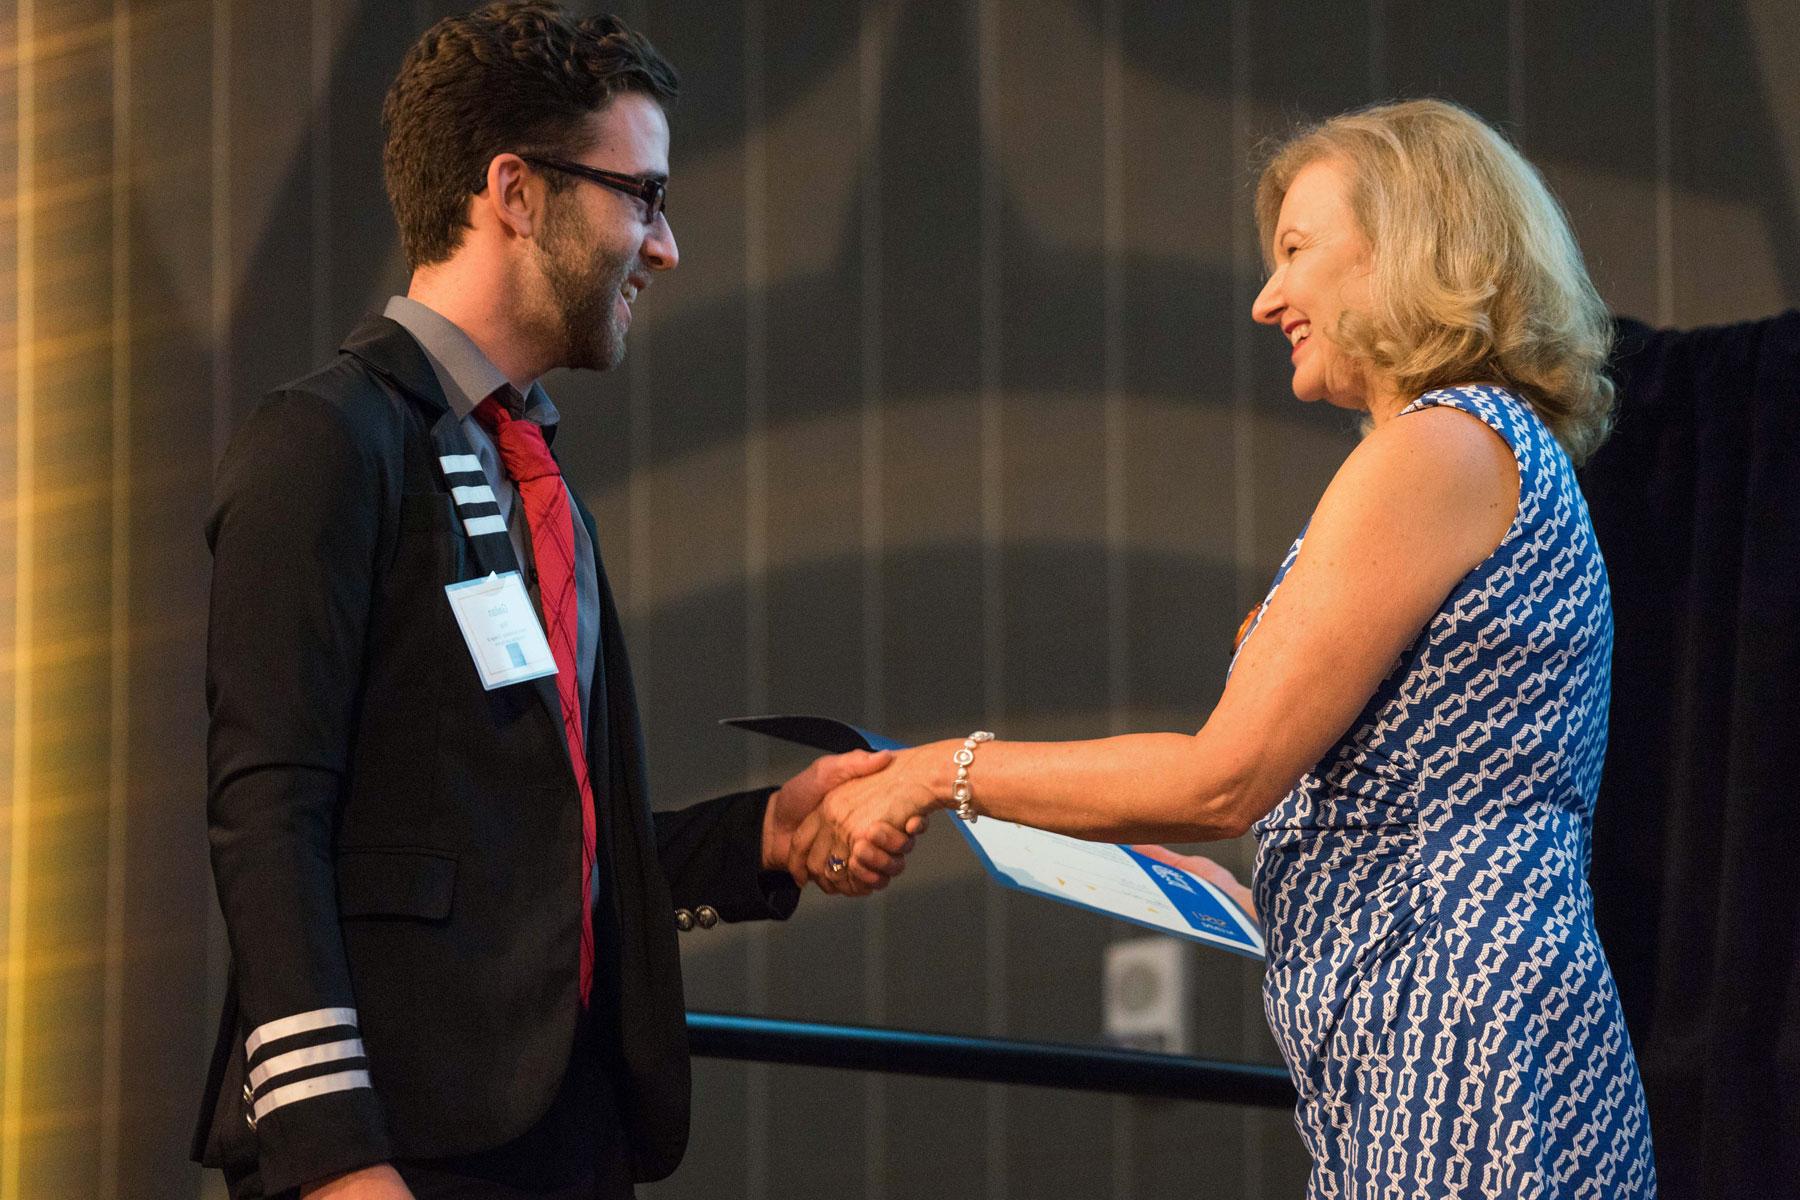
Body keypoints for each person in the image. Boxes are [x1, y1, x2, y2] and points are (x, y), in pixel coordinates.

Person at [798, 99, 1656, 1198]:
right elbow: (1420, 795)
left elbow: (1225, 777)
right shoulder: (1466, 448)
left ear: (1409, 249)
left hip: (1463, 1052)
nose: (1266, 298)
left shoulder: (1439, 447)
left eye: (1297, 251)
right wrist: (1260, 890)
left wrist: (935, 772)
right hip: (1447, 1036)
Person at [190, 6, 913, 1198]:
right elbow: (267, 820)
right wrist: (335, 1162)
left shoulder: (525, 463)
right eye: (643, 195)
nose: (664, 244)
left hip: (562, 1136)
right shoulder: (324, 442)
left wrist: (767, 833)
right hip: (401, 1154)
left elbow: (526, 844)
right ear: (514, 193)